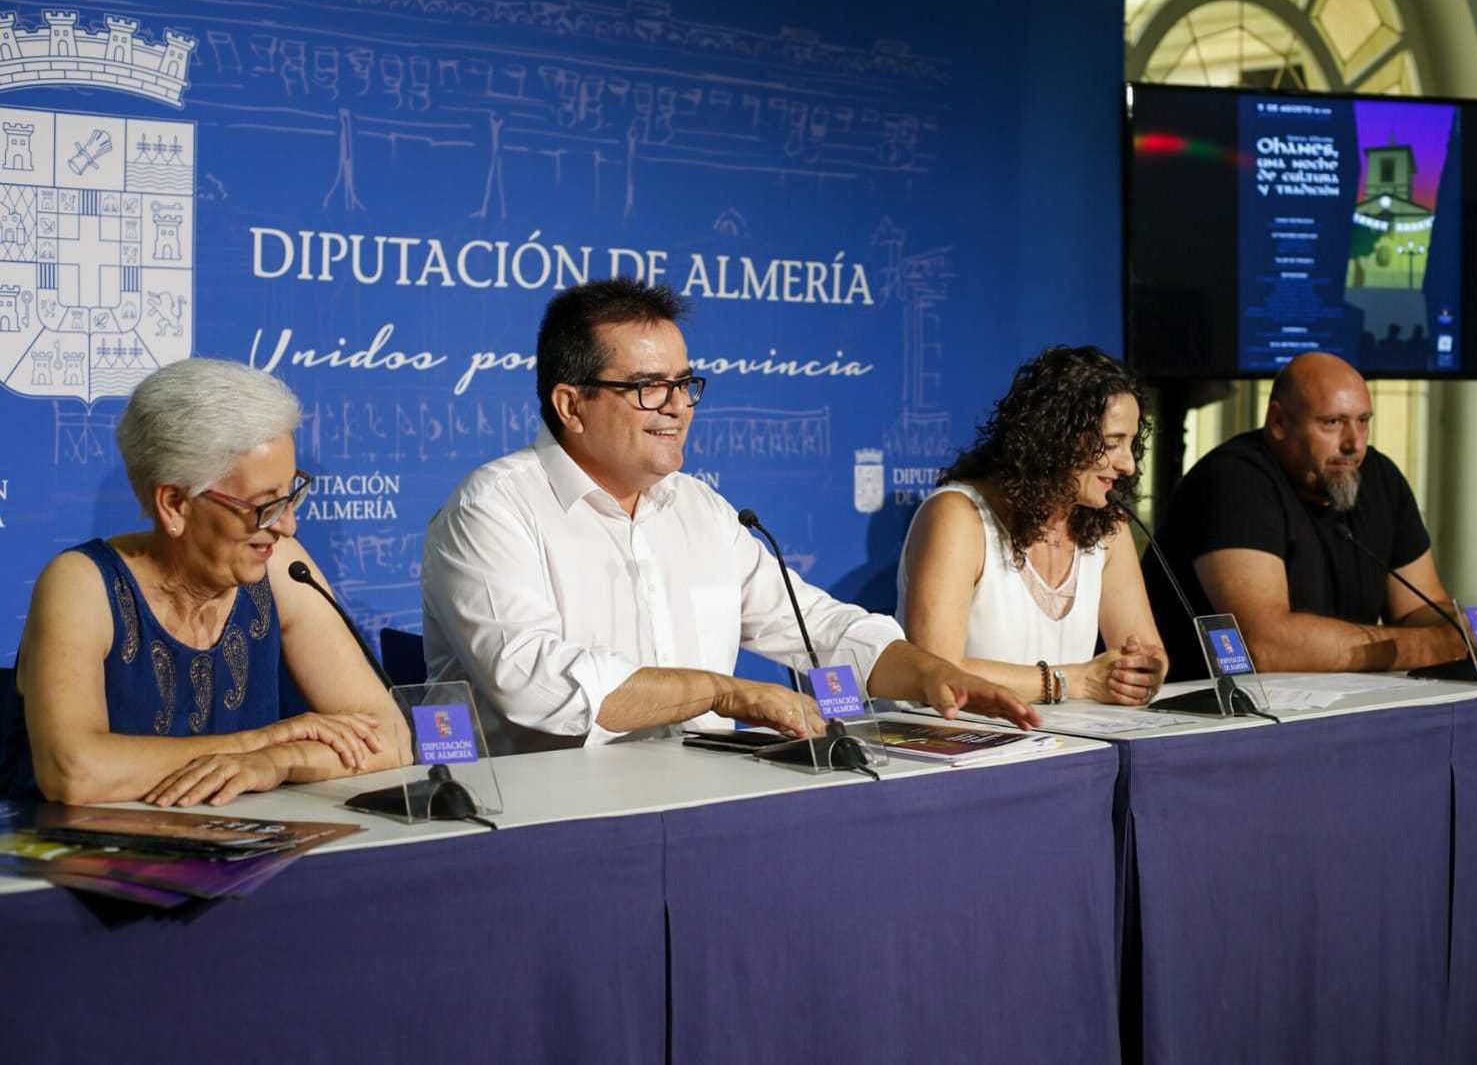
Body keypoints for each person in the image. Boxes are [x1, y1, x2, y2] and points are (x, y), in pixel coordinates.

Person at [421, 278, 1037, 752]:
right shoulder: (493, 510)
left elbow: (814, 627)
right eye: (647, 387)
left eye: (685, 383)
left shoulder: (700, 508)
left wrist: (932, 673)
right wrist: (722, 690)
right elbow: (534, 682)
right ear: (571, 404)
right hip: (548, 824)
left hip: (707, 803)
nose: (678, 407)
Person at [0, 359, 412, 806]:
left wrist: (278, 762)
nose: (288, 526)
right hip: (77, 866)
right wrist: (262, 741)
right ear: (175, 503)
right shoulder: (82, 584)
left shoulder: (279, 567)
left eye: (291, 494)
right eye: (263, 506)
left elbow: (389, 740)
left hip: (244, 857)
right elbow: (75, 772)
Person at [1145, 351, 1477, 679]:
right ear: (1278, 422)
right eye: (1333, 422)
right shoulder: (1233, 481)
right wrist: (1432, 646)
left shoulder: (1378, 477)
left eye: (1363, 421)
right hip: (1201, 717)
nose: (1354, 444)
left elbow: (1416, 607)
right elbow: (1264, 645)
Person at [896, 346, 1167, 706]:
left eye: (1132, 444)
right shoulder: (959, 515)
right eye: (1113, 442)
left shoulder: (1107, 527)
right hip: (954, 746)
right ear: (1057, 436)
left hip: (1067, 745)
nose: (1128, 465)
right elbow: (939, 673)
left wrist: (1140, 673)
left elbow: (1149, 653)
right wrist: (1076, 682)